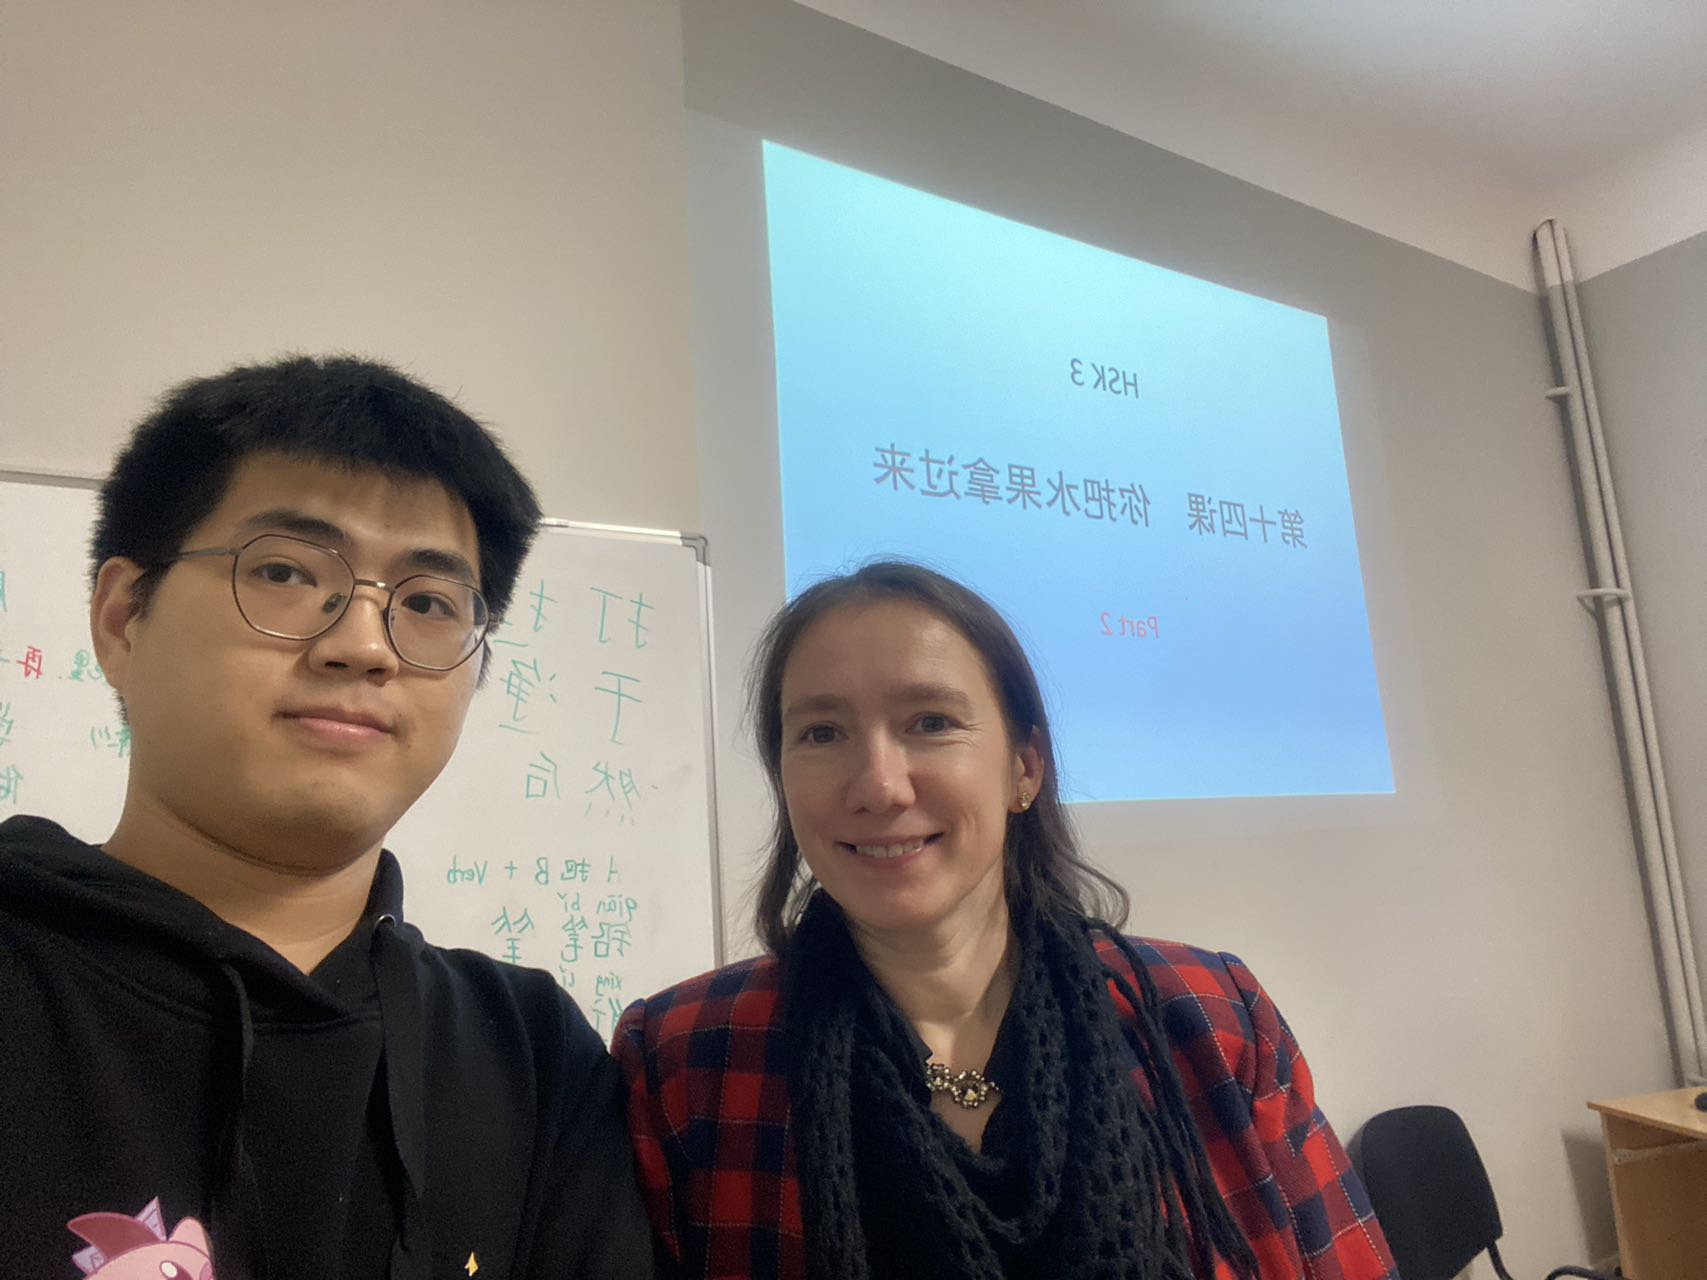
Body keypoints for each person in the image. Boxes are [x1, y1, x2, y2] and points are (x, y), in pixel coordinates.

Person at [0, 356, 655, 1278]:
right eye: (284, 572)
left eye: (428, 603)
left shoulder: (530, 1052)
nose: (363, 646)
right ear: (121, 619)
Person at [615, 561, 1397, 1279]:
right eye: (821, 733)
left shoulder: (1212, 1023)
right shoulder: (687, 1060)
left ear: (1023, 767)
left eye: (929, 722)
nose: (879, 786)